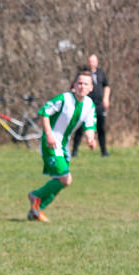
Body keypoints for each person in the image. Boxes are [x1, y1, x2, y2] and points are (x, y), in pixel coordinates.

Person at [27, 70, 96, 222]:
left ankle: (37, 209)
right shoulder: (65, 98)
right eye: (79, 83)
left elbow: (90, 125)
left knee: (61, 181)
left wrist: (91, 139)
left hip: (64, 146)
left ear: (91, 88)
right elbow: (44, 112)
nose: (82, 86)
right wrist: (49, 134)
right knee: (65, 178)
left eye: (86, 84)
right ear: (74, 85)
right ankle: (36, 196)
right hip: (50, 143)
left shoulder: (89, 105)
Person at [72, 54, 111, 157]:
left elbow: (106, 86)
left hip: (98, 105)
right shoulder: (82, 74)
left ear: (97, 62)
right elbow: (73, 87)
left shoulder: (101, 73)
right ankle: (74, 151)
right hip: (85, 105)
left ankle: (104, 151)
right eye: (90, 61)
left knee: (101, 128)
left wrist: (106, 98)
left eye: (93, 61)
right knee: (79, 128)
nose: (91, 63)